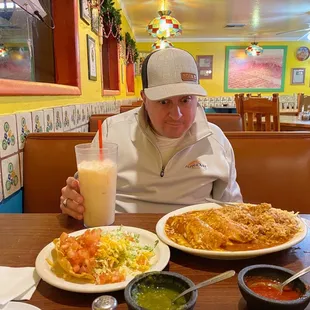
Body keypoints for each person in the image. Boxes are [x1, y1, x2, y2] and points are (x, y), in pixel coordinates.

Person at [60, 47, 242, 219]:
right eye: (164, 102)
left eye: (186, 100)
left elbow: (233, 208)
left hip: (196, 241)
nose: (176, 114)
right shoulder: (111, 131)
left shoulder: (216, 140)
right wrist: (73, 201)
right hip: (124, 238)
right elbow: (80, 192)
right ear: (144, 98)